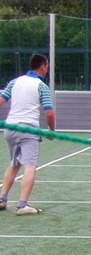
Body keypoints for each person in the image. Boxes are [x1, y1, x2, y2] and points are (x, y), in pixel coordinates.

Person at [0, 53, 56, 215]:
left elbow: (1, 101)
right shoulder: (41, 86)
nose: (47, 69)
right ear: (43, 66)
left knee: (14, 164)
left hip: (10, 128)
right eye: (47, 66)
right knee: (30, 166)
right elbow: (49, 113)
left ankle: (2, 199)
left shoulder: (14, 82)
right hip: (28, 130)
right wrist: (51, 131)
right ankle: (22, 205)